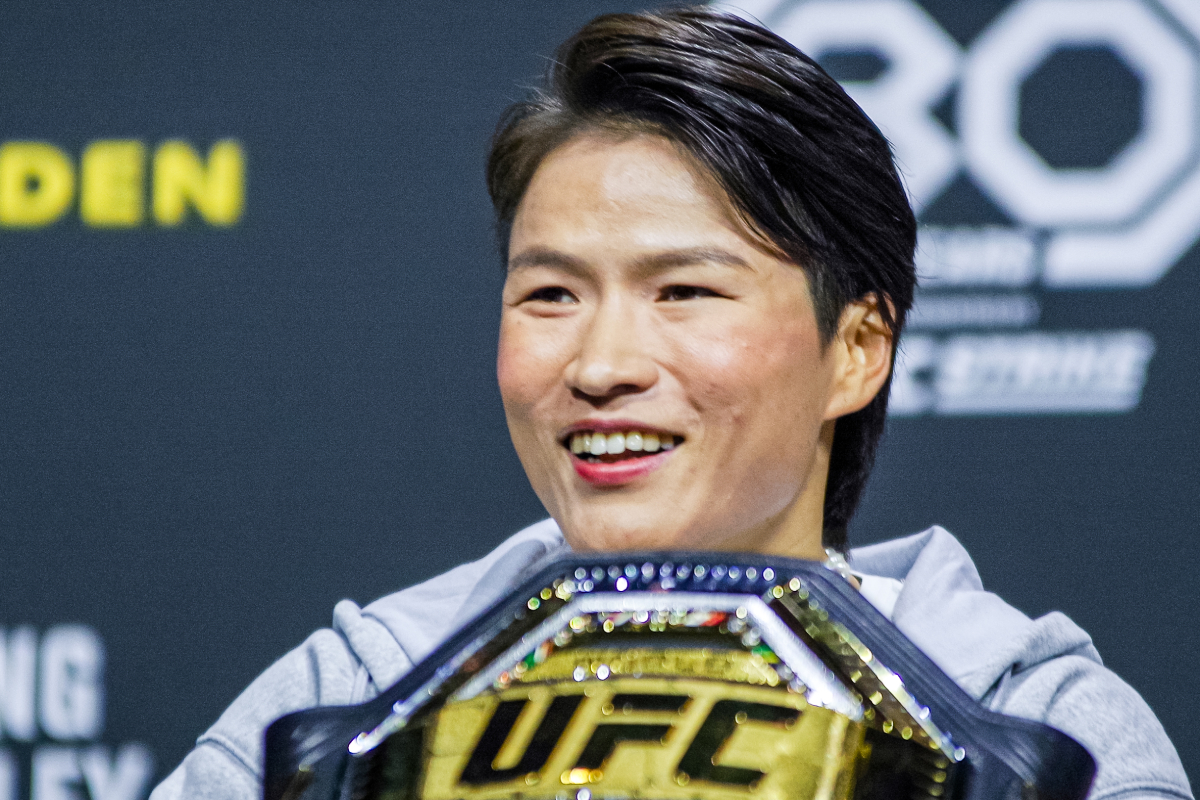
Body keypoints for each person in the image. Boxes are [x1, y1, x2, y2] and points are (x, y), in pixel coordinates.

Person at [150, 8, 1191, 800]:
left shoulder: (1030, 717)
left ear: (857, 350)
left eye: (685, 291)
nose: (601, 363)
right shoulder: (353, 695)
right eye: (550, 295)